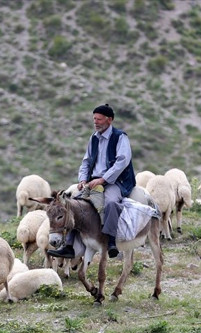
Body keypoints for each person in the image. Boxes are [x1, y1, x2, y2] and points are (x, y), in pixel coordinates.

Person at [48, 103, 136, 259]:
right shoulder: (93, 138)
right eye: (94, 119)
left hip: (116, 182)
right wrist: (82, 179)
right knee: (72, 205)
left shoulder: (120, 137)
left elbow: (122, 162)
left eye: (99, 119)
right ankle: (69, 245)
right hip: (93, 181)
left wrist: (103, 179)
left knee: (110, 203)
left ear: (109, 120)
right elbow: (86, 162)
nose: (95, 122)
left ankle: (111, 242)